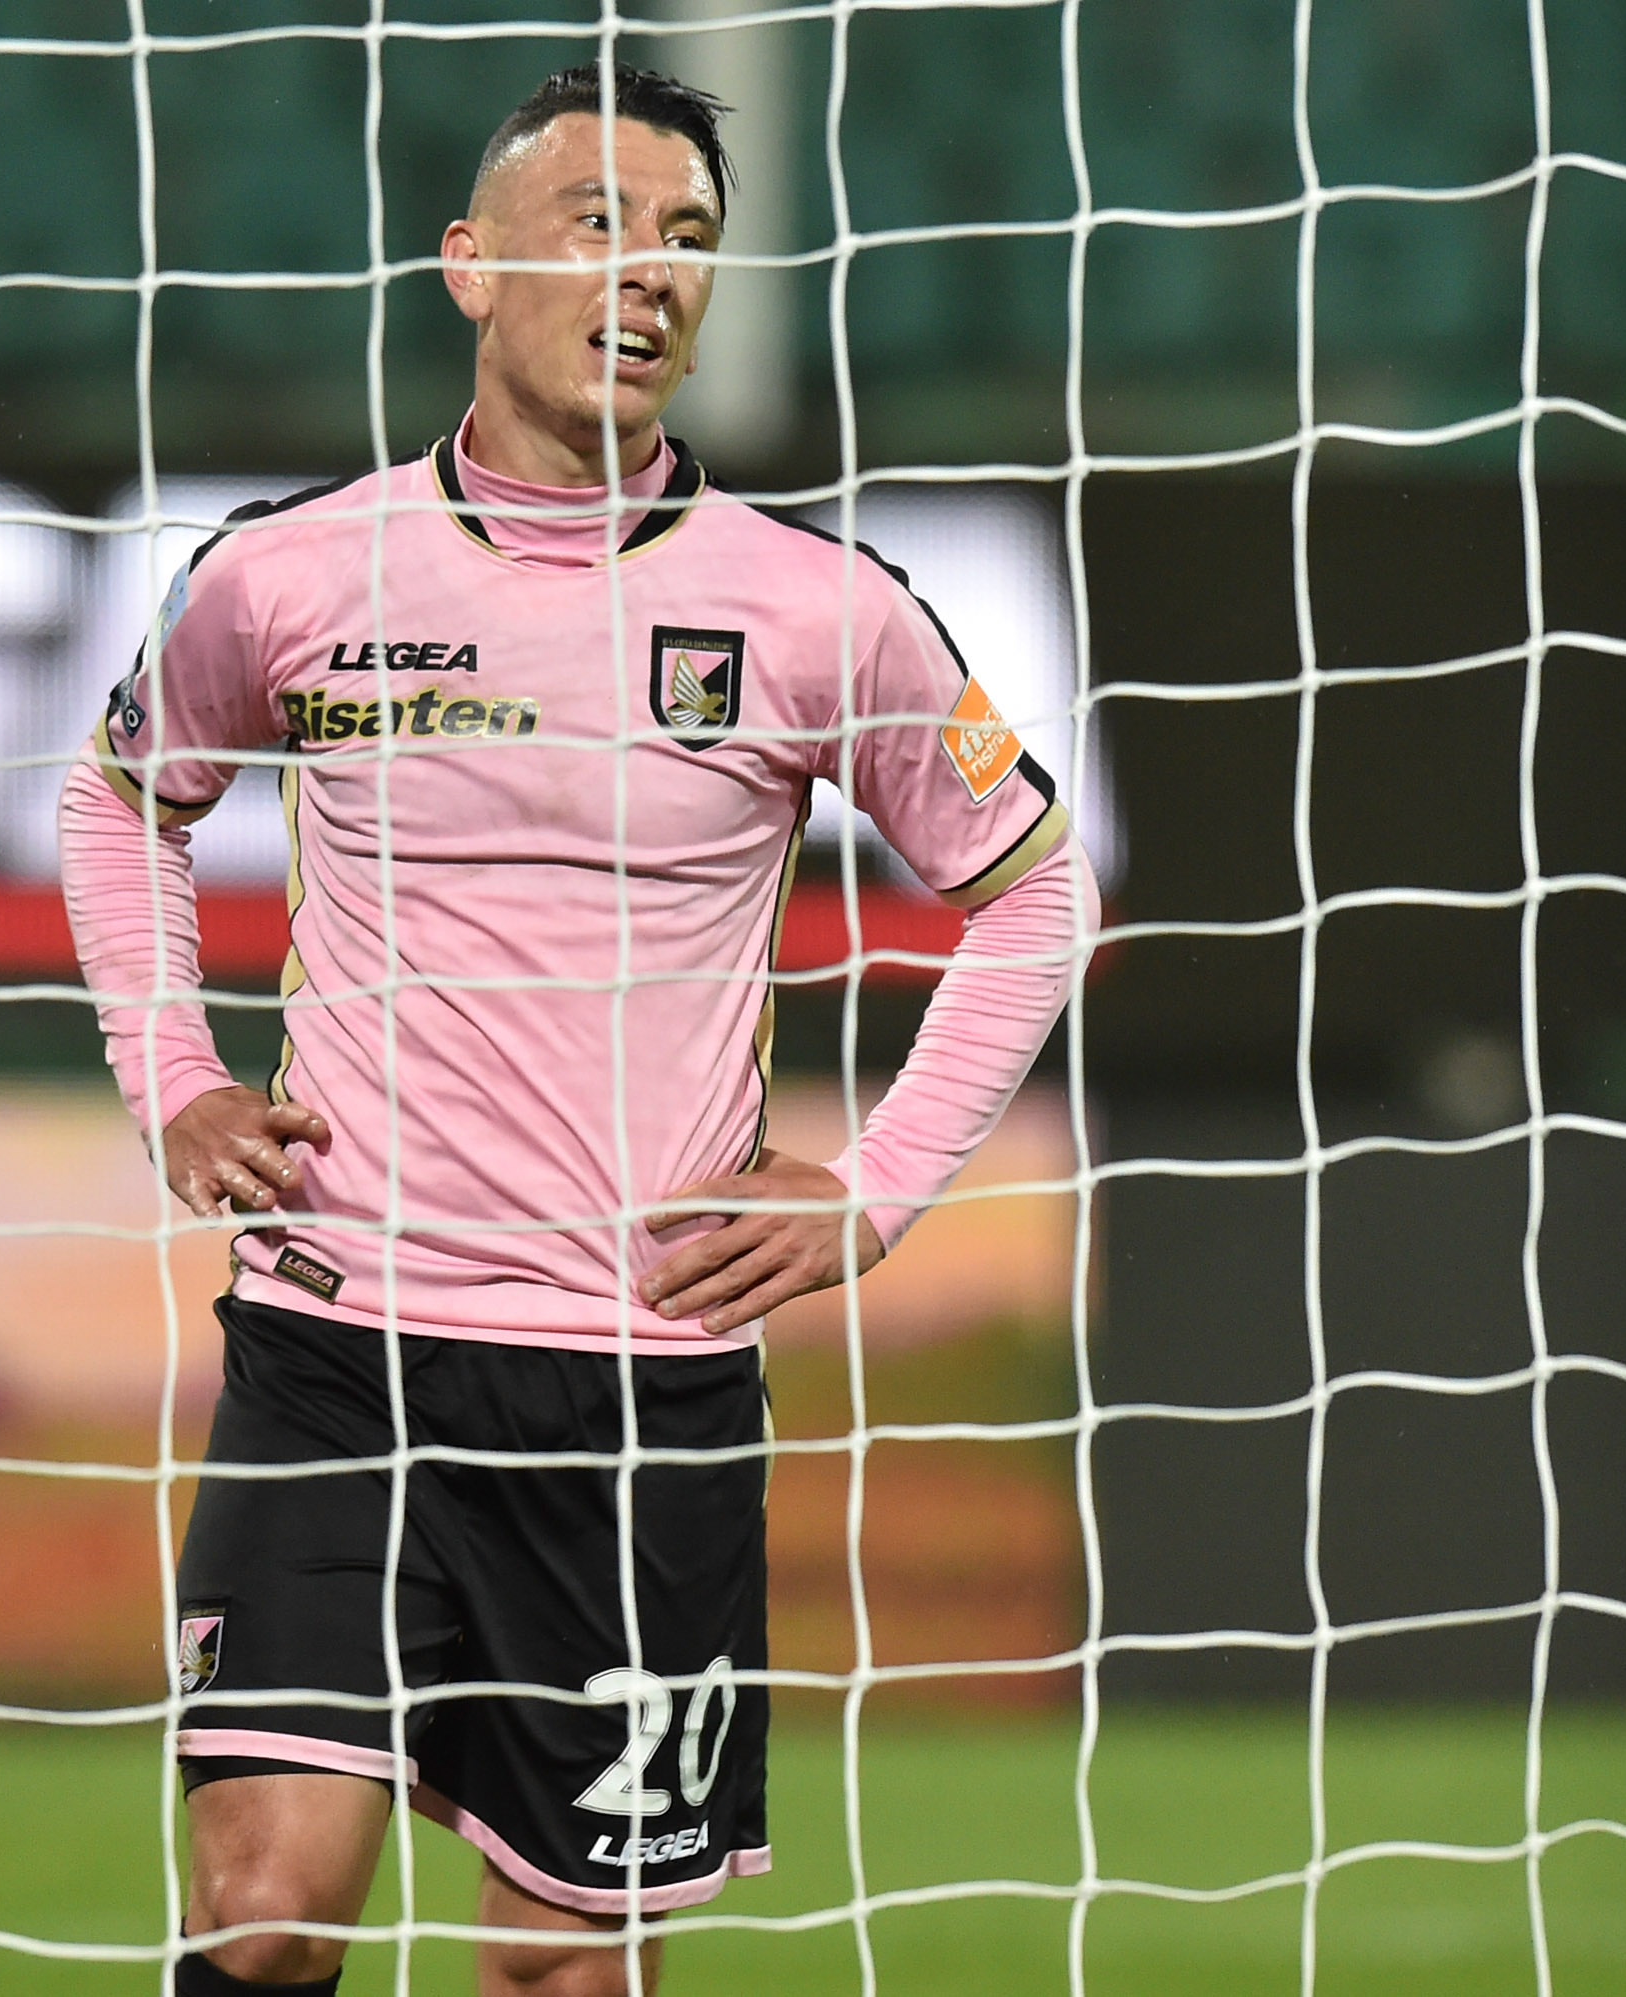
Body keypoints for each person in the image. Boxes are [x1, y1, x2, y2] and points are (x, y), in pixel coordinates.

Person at [59, 60, 1096, 1997]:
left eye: (690, 238)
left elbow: (1039, 891)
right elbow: (120, 801)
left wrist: (872, 1192)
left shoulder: (819, 616)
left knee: (557, 1971)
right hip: (336, 1348)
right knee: (268, 1903)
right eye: (598, 225)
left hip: (639, 1393)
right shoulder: (288, 576)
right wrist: (178, 1077)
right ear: (468, 266)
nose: (653, 275)